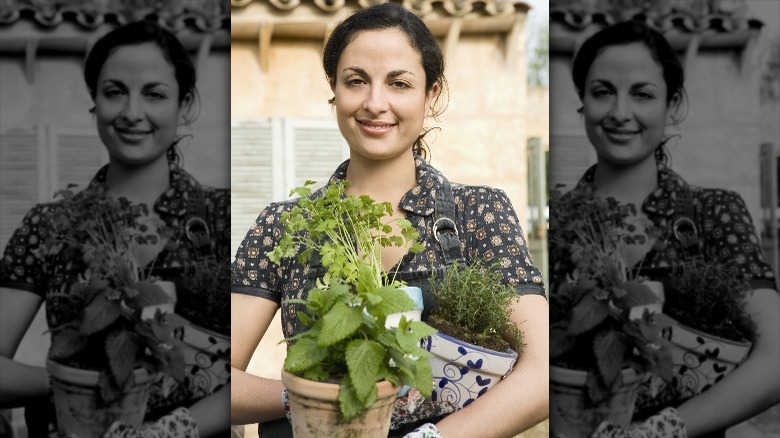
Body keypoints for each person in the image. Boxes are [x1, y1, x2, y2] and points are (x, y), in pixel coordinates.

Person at [231, 3, 549, 438]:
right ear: (334, 89)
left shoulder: (477, 213)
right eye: (356, 81)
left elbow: (544, 369)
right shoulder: (287, 225)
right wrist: (304, 397)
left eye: (399, 83)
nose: (374, 103)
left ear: (430, 94)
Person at [0, 20, 231, 437]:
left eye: (154, 94)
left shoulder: (223, 217)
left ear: (183, 104)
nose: (131, 112)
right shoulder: (51, 224)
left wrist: (173, 430)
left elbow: (252, 371)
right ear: (95, 102)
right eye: (114, 92)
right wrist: (72, 384)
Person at [550, 20, 780, 438]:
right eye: (603, 92)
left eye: (642, 93)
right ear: (582, 101)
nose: (620, 112)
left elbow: (776, 360)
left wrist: (664, 430)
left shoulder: (713, 214)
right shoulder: (557, 223)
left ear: (672, 105)